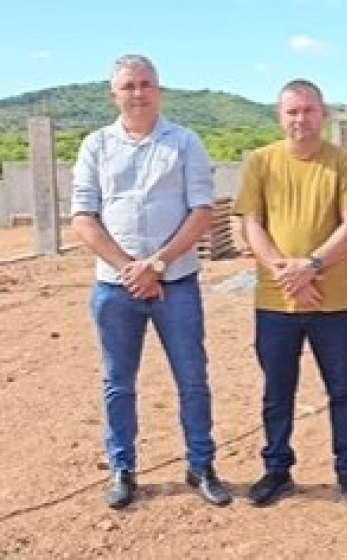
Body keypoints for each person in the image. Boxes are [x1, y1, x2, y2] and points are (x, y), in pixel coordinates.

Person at [71, 54, 231, 509]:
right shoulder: (95, 146)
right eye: (128, 86)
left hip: (176, 283)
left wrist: (157, 265)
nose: (137, 93)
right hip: (114, 288)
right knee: (118, 382)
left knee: (192, 379)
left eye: (145, 84)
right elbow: (83, 218)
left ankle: (201, 464)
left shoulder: (185, 143)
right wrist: (131, 268)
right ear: (113, 94)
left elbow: (202, 212)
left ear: (159, 89)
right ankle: (123, 468)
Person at [234, 79, 347, 507]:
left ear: (323, 114)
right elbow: (252, 224)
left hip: (333, 303)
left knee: (342, 389)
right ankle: (277, 469)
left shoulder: (343, 163)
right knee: (277, 390)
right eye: (292, 111)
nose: (301, 119)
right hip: (276, 302)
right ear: (280, 117)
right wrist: (285, 272)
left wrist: (310, 267)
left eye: (309, 110)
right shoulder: (261, 163)